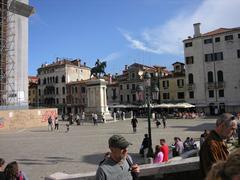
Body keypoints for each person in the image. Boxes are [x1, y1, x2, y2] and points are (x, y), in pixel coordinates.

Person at [199, 113, 238, 178]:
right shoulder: (211, 145)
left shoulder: (218, 140)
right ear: (222, 126)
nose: (235, 132)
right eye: (232, 129)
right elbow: (214, 174)